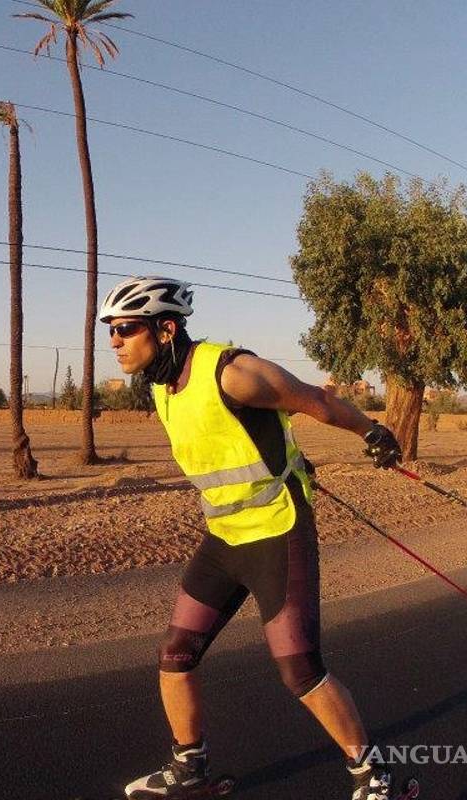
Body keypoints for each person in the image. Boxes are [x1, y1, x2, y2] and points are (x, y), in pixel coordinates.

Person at [99, 276, 404, 800]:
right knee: (176, 654)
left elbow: (313, 401)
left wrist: (372, 431)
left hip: (276, 531)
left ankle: (375, 779)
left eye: (125, 328)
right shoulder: (159, 384)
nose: (115, 341)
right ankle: (188, 769)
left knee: (300, 671)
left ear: (166, 328)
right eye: (111, 331)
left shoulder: (232, 371)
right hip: (224, 537)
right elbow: (235, 437)